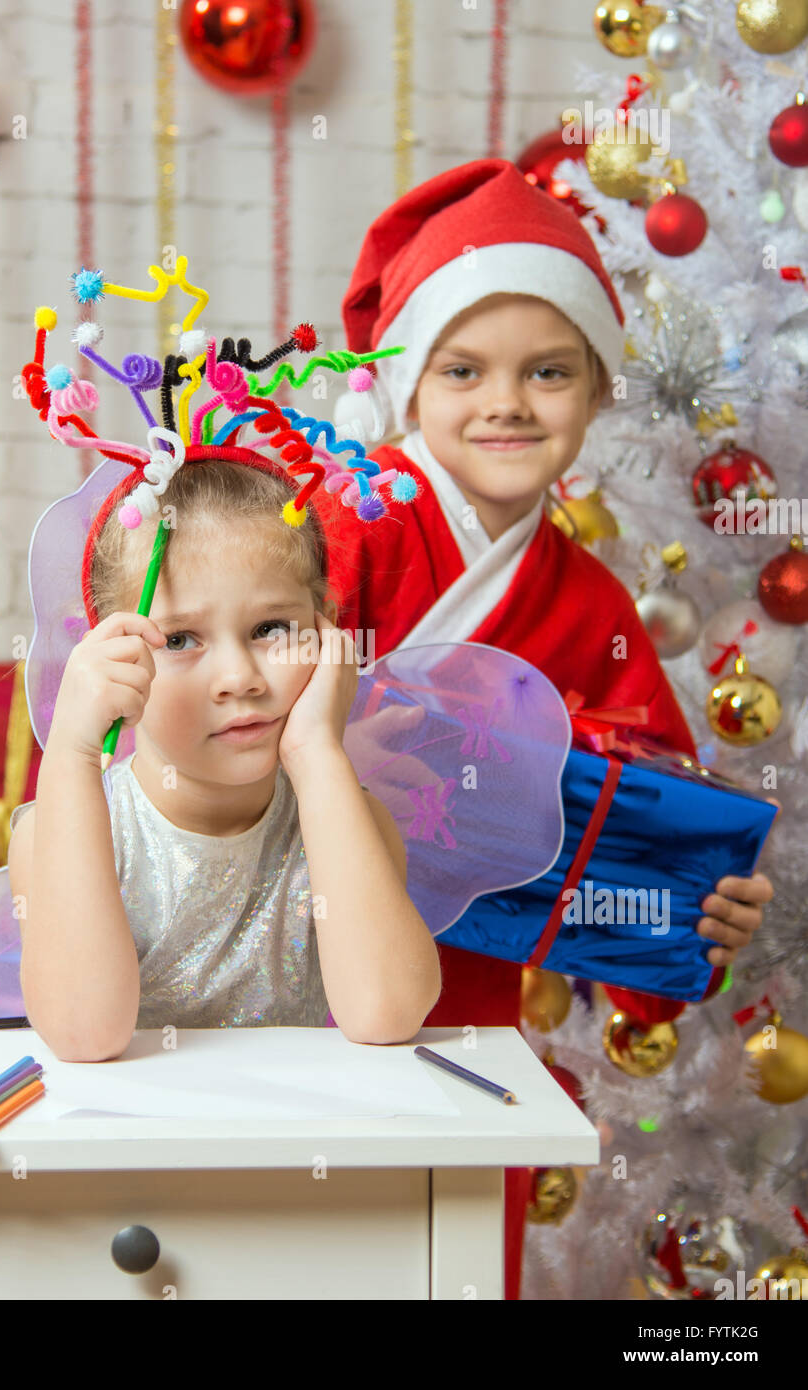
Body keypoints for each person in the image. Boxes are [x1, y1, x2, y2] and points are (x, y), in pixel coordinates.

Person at [327, 157, 775, 1296]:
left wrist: (691, 914)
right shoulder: (347, 527)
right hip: (287, 973)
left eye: (547, 371)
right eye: (463, 369)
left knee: (448, 1266)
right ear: (407, 388)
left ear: (594, 392)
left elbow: (645, 823)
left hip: (469, 1017)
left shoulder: (592, 605)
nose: (505, 403)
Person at [8, 455, 442, 1062]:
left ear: (329, 630)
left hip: (299, 1149)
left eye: (270, 628)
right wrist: (72, 753)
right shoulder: (55, 834)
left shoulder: (349, 821)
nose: (239, 678)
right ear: (111, 657)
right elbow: (86, 1034)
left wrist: (317, 751)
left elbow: (387, 1013)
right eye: (180, 640)